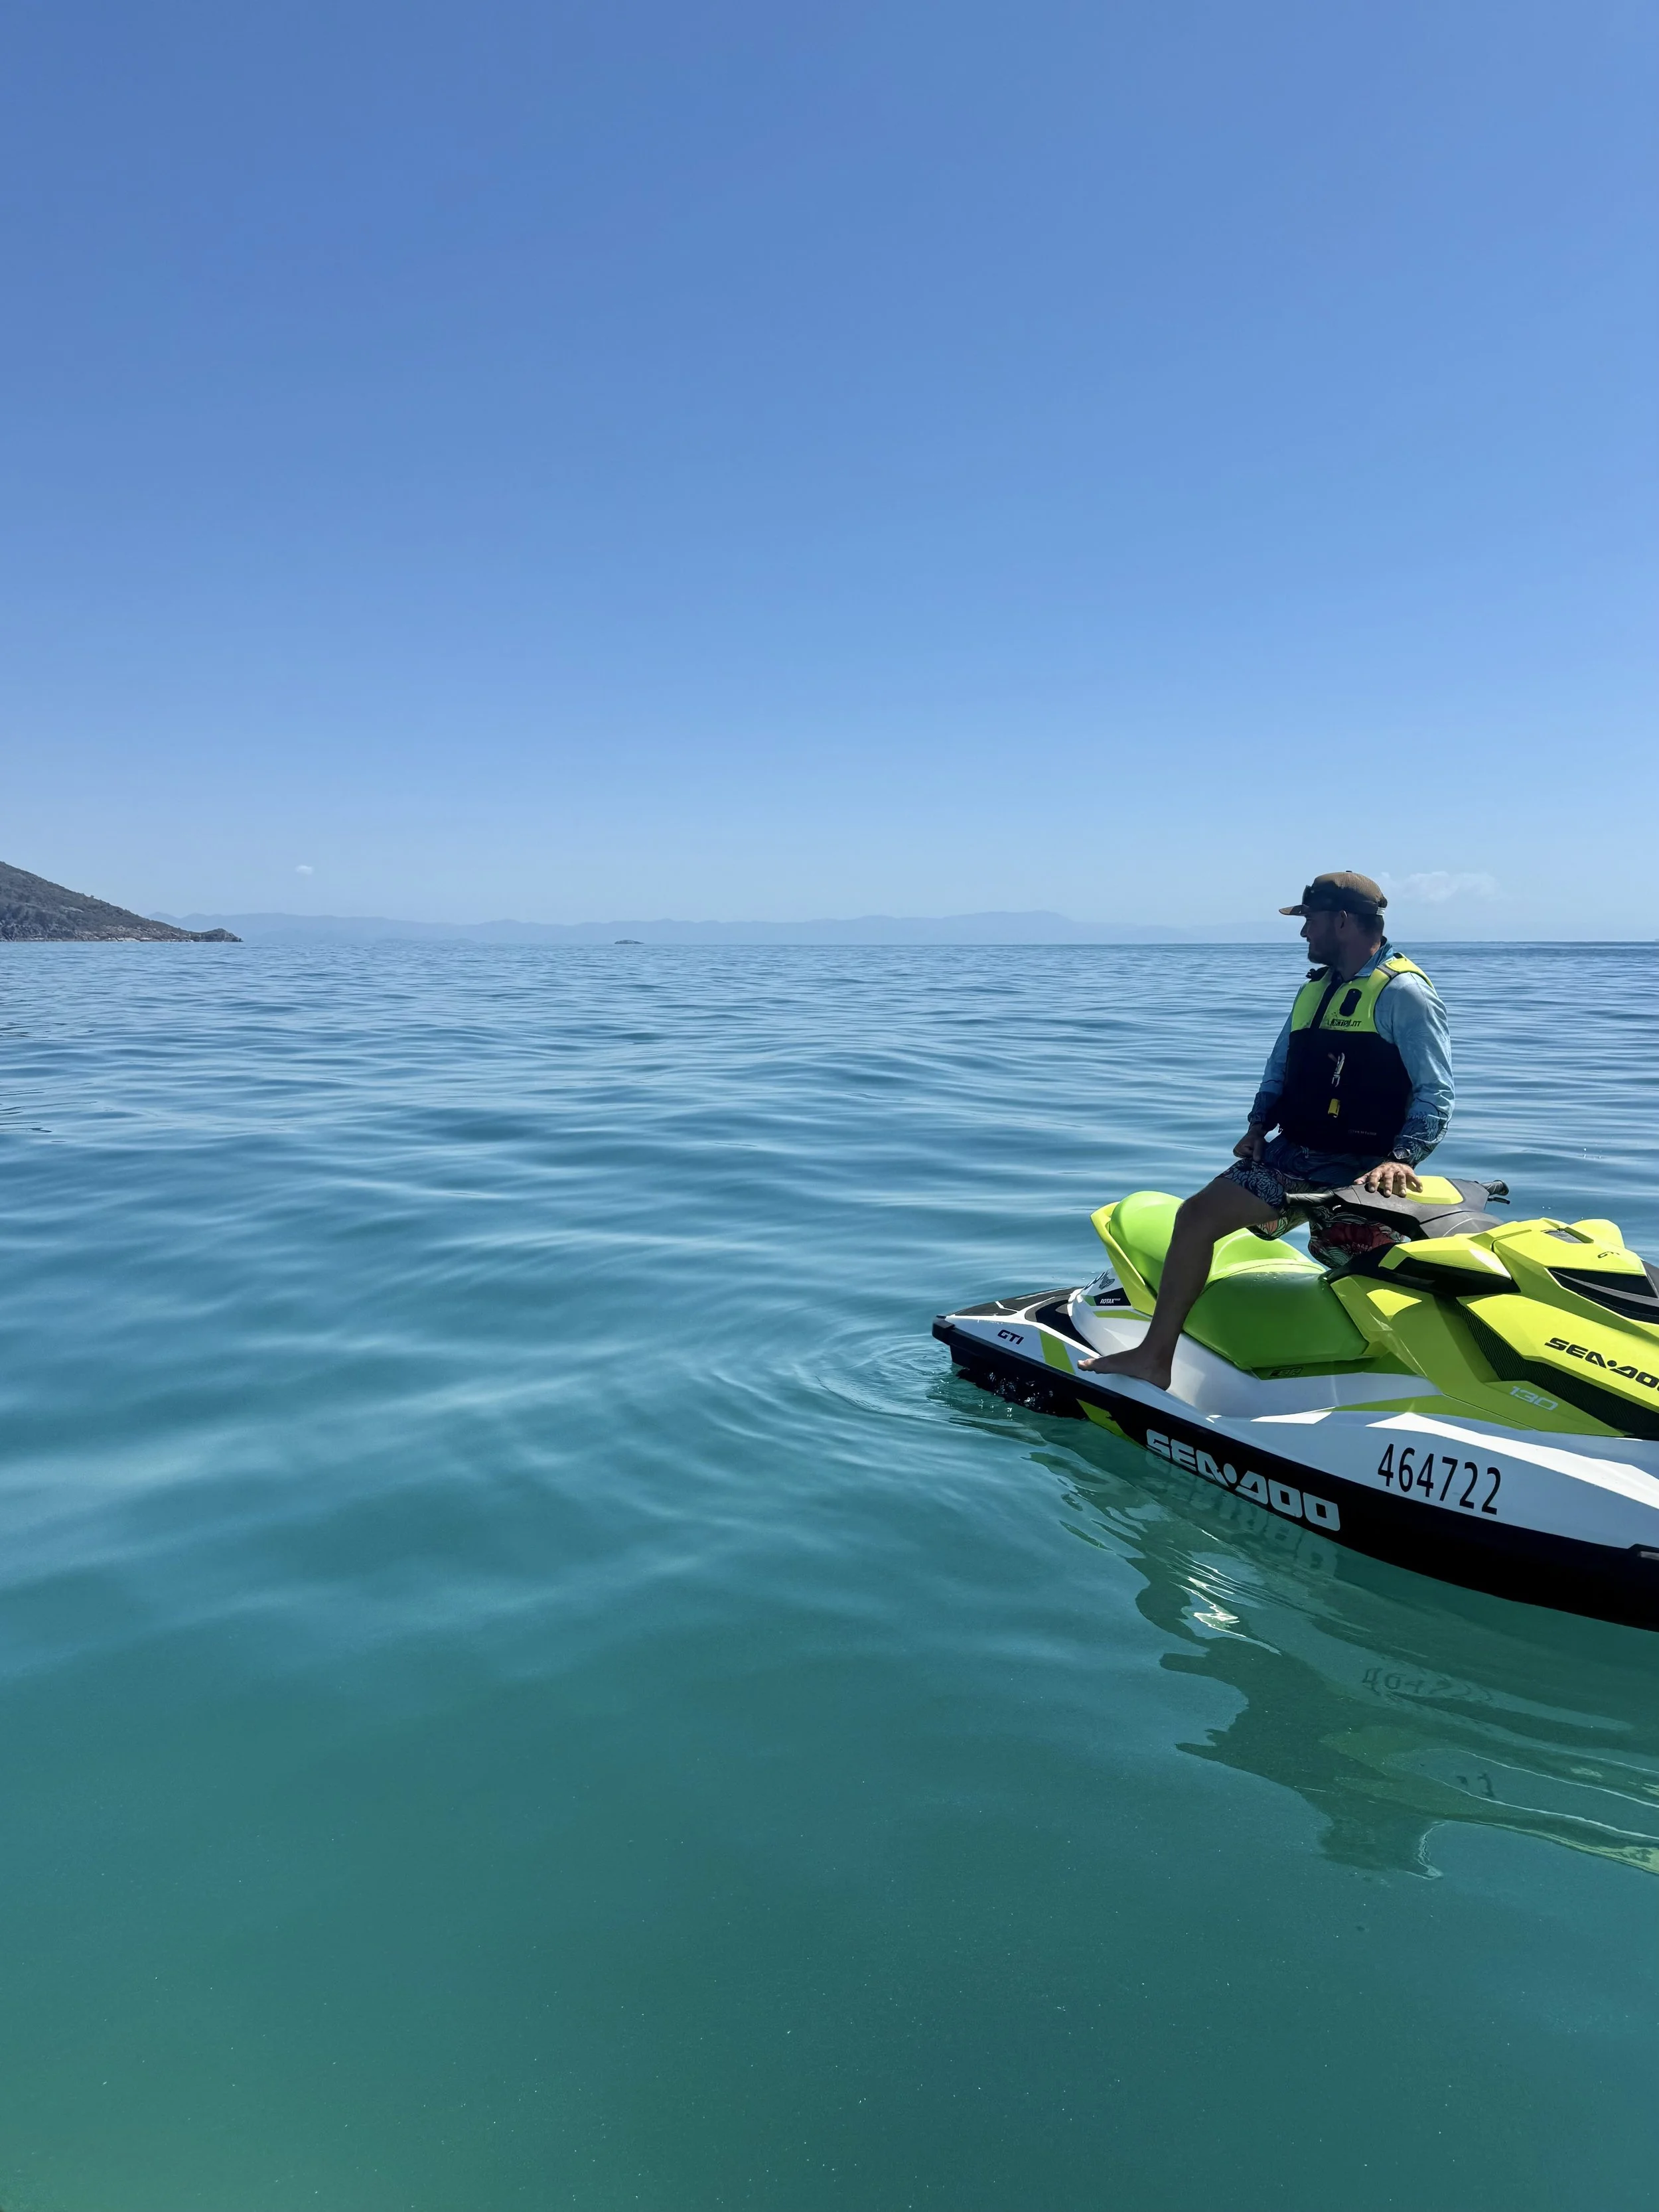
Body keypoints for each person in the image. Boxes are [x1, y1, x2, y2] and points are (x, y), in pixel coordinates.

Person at [1082, 870, 1454, 1390]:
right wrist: (1258, 1125)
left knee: (1361, 1272)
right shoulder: (1317, 989)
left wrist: (1401, 1159)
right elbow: (1280, 1066)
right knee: (1196, 1218)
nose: (1303, 933)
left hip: (1362, 1174)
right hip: (1294, 1158)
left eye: (1310, 921)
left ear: (1343, 921)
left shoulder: (1404, 993)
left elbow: (1437, 1092)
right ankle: (1155, 1357)